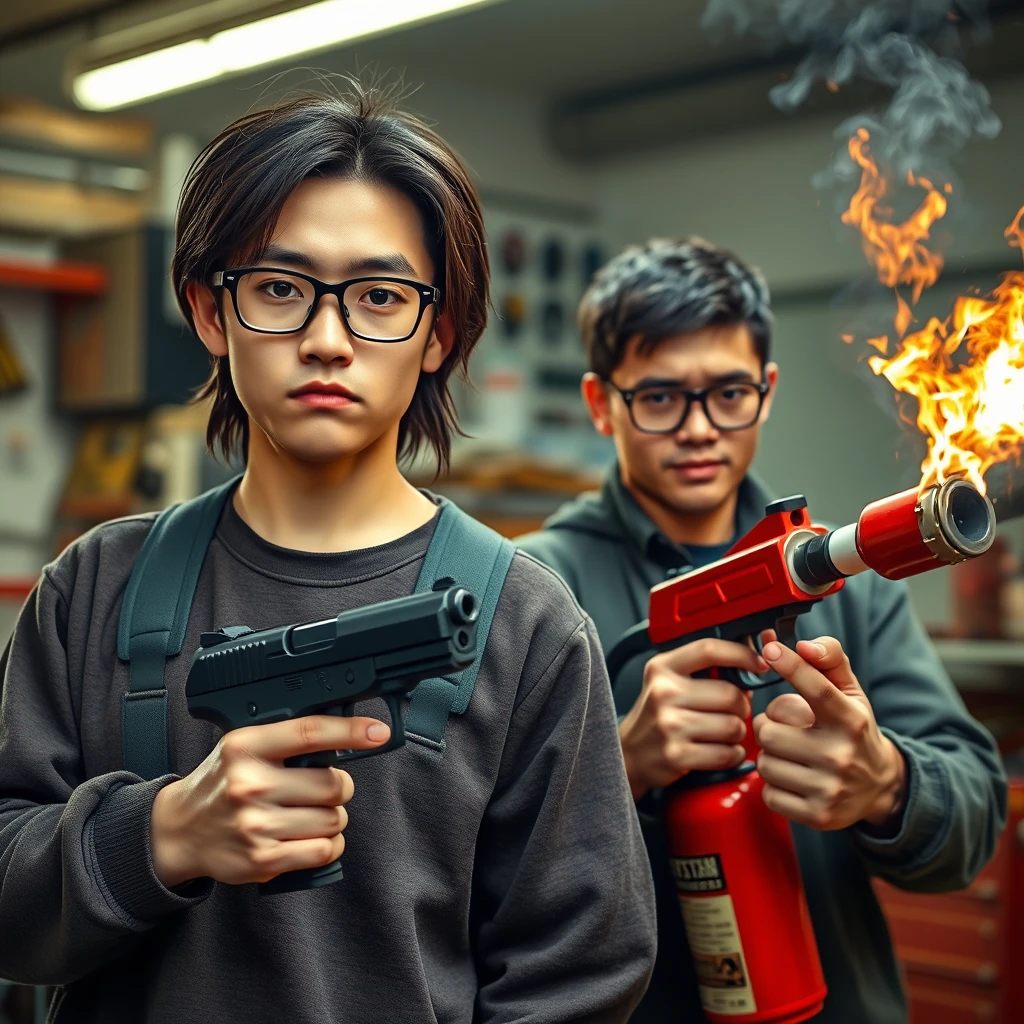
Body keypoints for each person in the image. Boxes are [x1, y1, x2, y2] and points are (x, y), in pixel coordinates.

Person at [0, 83, 657, 1023]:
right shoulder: (93, 589)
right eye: (280, 289)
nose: (326, 338)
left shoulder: (529, 627)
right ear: (209, 312)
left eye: (380, 298)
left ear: (439, 333)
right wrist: (160, 836)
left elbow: (581, 978)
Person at [516, 237, 1008, 1023]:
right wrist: (619, 767)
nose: (700, 428)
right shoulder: (531, 588)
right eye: (660, 397)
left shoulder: (849, 584)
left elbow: (975, 816)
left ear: (767, 389)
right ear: (601, 403)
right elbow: (465, 864)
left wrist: (886, 784)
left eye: (729, 392)